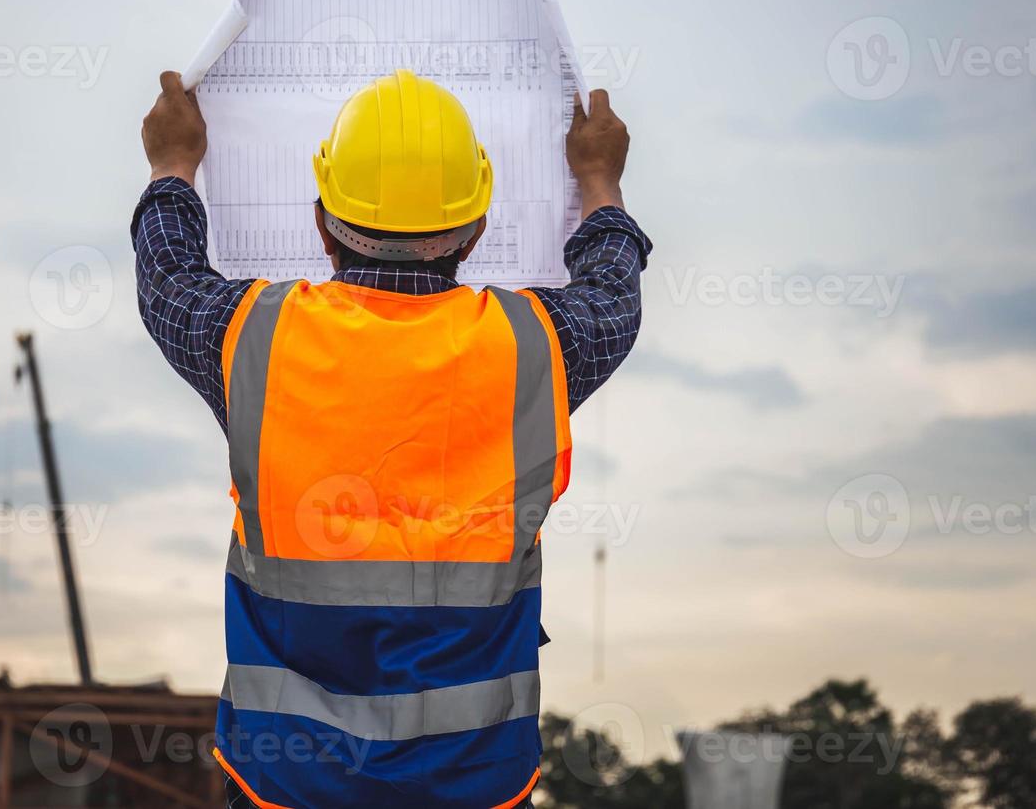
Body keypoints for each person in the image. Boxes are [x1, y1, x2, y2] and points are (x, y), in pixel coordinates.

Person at [133, 68, 651, 809]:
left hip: (286, 783)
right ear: (475, 232)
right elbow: (612, 292)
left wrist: (172, 166)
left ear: (322, 222)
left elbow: (168, 277)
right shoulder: (534, 348)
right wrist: (599, 179)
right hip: (472, 783)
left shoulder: (252, 338)